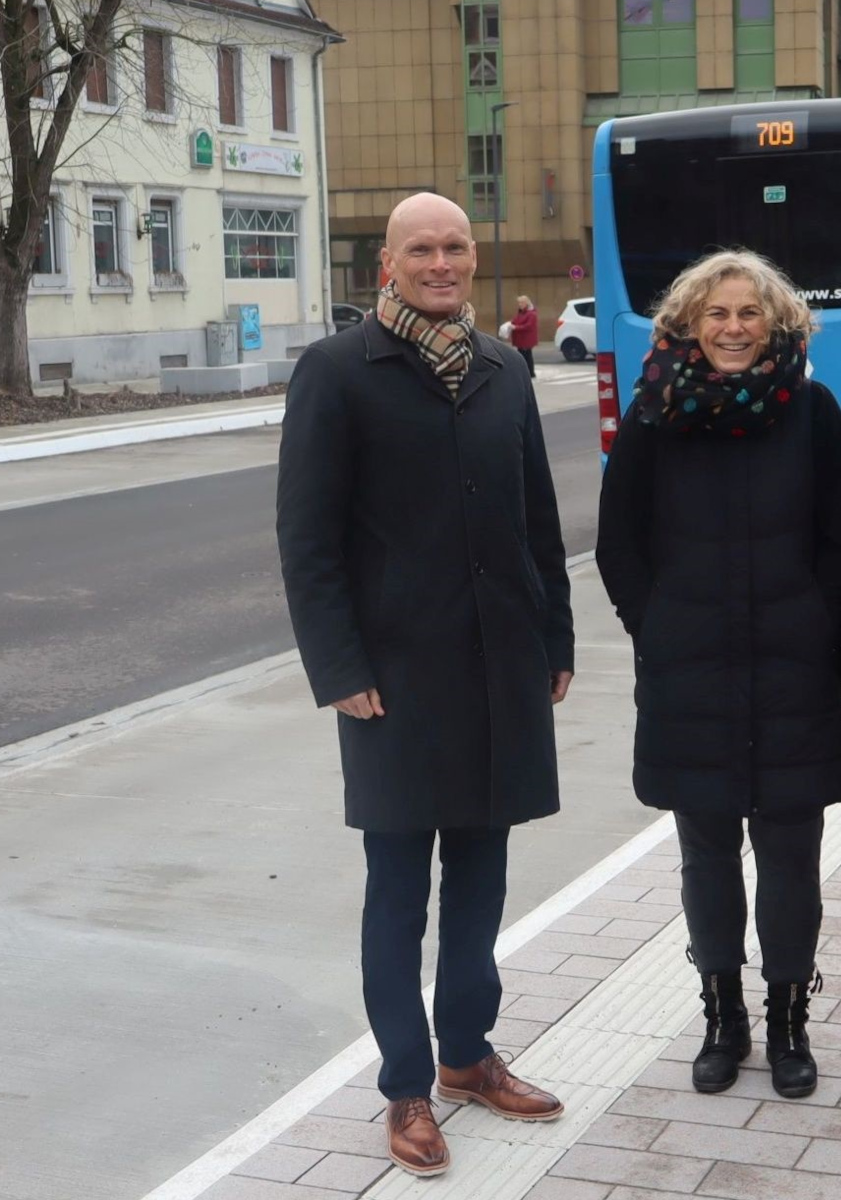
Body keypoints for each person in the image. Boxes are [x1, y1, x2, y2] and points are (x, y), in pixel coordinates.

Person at [276, 193, 574, 1178]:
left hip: (498, 665)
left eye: (454, 248)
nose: (440, 263)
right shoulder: (336, 373)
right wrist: (339, 669)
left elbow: (537, 517)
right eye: (421, 250)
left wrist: (555, 638)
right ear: (387, 267)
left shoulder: (503, 369)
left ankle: (467, 1057)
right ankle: (406, 1088)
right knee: (398, 891)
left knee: (481, 881)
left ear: (473, 258)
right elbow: (307, 540)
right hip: (393, 679)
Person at [595, 249, 841, 1100]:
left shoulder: (812, 411)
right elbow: (618, 544)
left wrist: (820, 626)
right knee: (706, 856)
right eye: (718, 314)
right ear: (689, 325)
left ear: (776, 323)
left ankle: (789, 1022)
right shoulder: (653, 416)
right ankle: (723, 1017)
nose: (735, 328)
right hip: (690, 675)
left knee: (791, 857)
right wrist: (659, 624)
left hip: (792, 671)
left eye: (750, 313)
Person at [510, 294, 539, 377]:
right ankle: (528, 372)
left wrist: (515, 327)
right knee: (523, 356)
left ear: (526, 303)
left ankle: (530, 373)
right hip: (521, 339)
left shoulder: (531, 314)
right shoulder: (521, 312)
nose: (520, 304)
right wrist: (510, 324)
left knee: (526, 356)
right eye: (519, 303)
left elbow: (529, 326)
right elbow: (516, 320)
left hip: (526, 339)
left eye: (521, 303)